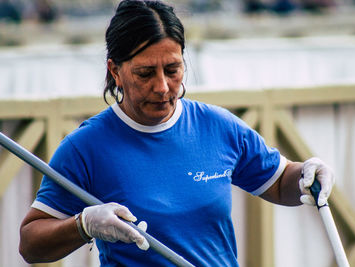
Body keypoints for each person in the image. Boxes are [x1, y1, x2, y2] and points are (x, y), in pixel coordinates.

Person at [18, 0, 335, 266]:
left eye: (173, 69)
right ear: (115, 71)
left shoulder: (218, 126)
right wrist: (83, 224)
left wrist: (307, 173)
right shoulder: (85, 147)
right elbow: (30, 243)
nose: (162, 87)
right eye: (145, 73)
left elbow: (279, 183)